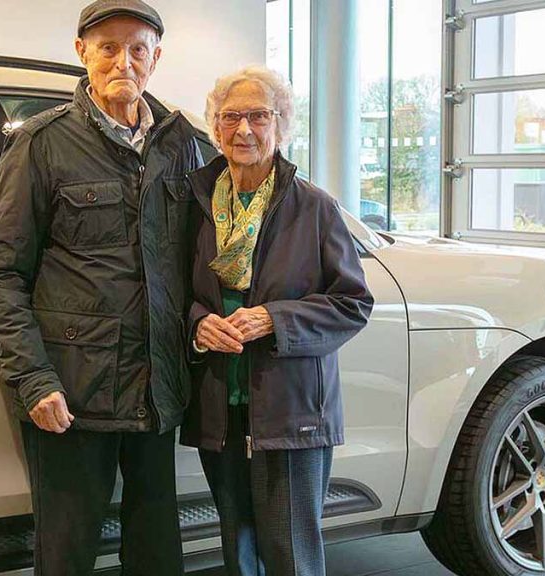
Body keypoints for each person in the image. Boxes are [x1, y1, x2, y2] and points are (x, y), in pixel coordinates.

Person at [0, 1, 203, 574]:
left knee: (157, 553)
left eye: (138, 49)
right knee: (68, 553)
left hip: (157, 387)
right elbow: (0, 273)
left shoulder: (181, 143)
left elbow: (211, 247)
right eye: (108, 47)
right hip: (74, 392)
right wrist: (34, 378)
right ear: (82, 53)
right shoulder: (42, 143)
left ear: (156, 58)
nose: (123, 61)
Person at [181, 66, 374, 576]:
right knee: (237, 547)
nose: (244, 129)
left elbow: (352, 303)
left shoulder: (314, 208)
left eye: (259, 116)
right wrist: (198, 324)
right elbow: (175, 296)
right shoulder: (196, 206)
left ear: (281, 126)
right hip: (221, 405)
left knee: (290, 551)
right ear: (215, 129)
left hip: (292, 410)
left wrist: (274, 318)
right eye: (231, 118)